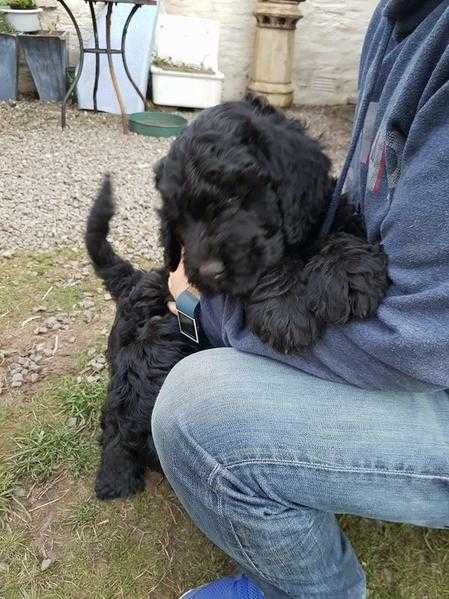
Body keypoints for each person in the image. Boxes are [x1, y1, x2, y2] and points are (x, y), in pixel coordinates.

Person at [152, 1, 449, 597]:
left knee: (197, 413)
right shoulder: (399, 16)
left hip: (425, 354)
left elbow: (415, 339)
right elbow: (358, 206)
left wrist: (203, 306)